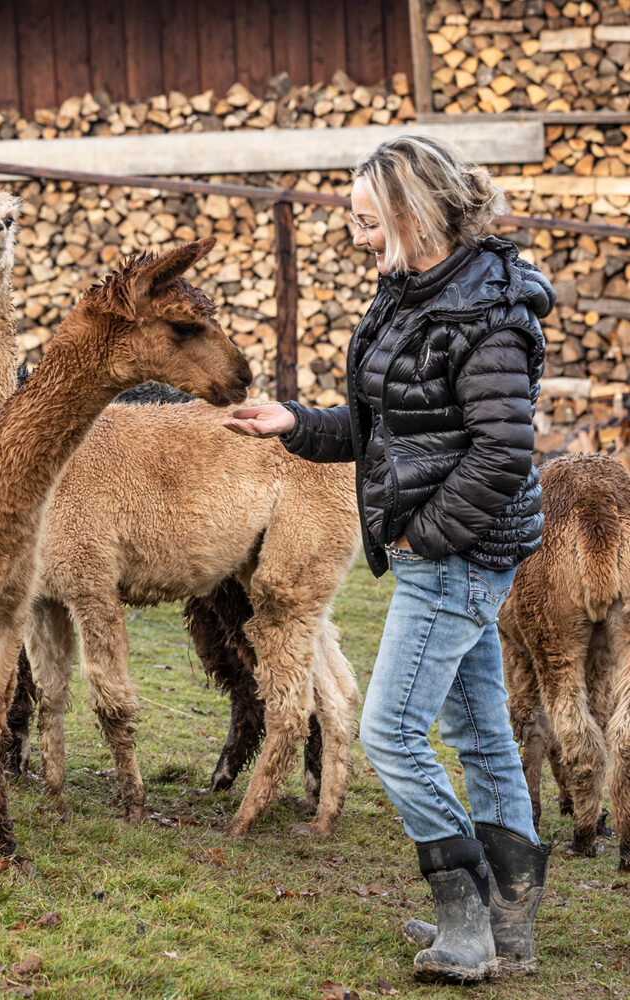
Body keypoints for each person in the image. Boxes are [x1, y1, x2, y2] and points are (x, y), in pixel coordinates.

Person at [224, 133, 554, 984]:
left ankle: (467, 919)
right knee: (480, 733)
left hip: (458, 553)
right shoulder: (412, 294)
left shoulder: (489, 314)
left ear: (415, 213)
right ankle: (508, 925)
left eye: (370, 221)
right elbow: (383, 428)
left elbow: (504, 451)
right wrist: (295, 423)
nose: (359, 236)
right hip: (444, 547)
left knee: (392, 732)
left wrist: (426, 534)